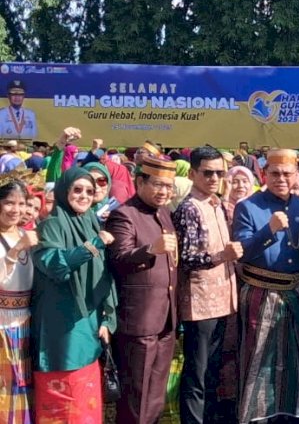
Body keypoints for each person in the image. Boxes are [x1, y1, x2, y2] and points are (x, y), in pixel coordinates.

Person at [231, 148, 299, 422]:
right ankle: (257, 416)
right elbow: (241, 250)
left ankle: (295, 414)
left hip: (296, 293)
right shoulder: (248, 206)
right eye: (275, 173)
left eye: (287, 174)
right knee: (260, 358)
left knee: (296, 358)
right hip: (259, 293)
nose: (281, 179)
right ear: (264, 174)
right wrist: (268, 230)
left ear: (296, 175)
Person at [31, 167, 117, 422]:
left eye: (89, 191)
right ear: (63, 191)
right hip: (60, 325)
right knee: (61, 400)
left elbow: (106, 274)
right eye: (77, 190)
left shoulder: (91, 221)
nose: (84, 196)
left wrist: (108, 317)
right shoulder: (51, 225)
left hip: (89, 323)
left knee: (85, 401)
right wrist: (92, 245)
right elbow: (55, 265)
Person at [105, 155, 181, 424]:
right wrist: (150, 250)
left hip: (166, 317)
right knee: (136, 394)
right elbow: (118, 259)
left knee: (156, 394)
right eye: (158, 185)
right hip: (138, 321)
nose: (164, 192)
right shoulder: (124, 215)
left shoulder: (164, 213)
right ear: (139, 181)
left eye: (169, 187)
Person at [172, 146, 243, 424]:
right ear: (192, 173)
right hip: (200, 303)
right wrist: (221, 256)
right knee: (198, 374)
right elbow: (186, 258)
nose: (214, 178)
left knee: (212, 371)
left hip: (222, 299)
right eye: (208, 172)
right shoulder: (190, 208)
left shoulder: (216, 204)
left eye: (219, 173)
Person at [0, 180, 34, 422]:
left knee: (23, 388)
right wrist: (15, 250)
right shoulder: (22, 240)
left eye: (21, 204)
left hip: (25, 324)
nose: (16, 209)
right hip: (2, 325)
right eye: (9, 202)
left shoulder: (27, 235)